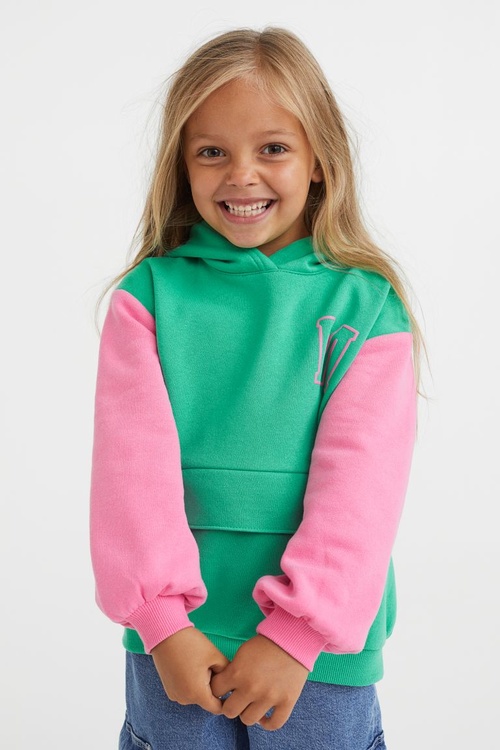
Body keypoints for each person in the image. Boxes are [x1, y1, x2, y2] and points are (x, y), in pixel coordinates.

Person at [89, 26, 422, 750]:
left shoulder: (367, 308)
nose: (242, 175)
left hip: (320, 658)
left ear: (320, 160)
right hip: (180, 647)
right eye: (212, 152)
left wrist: (298, 633)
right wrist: (163, 624)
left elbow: (363, 490)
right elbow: (129, 476)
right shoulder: (148, 299)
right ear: (181, 165)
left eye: (272, 148)